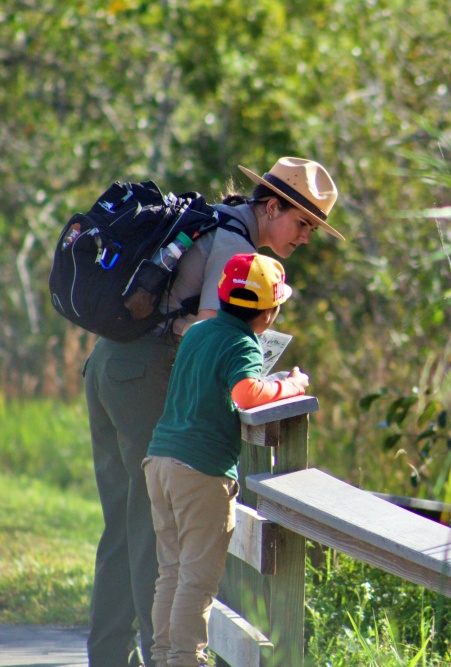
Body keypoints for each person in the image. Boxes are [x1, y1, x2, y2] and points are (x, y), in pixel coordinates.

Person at [83, 157, 341, 666]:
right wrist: (273, 382)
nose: (306, 237)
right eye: (303, 223)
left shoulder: (214, 223)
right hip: (143, 377)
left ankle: (111, 657)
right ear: (271, 206)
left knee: (123, 526)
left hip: (108, 367)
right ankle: (165, 659)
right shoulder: (234, 247)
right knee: (150, 537)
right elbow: (213, 337)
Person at [144, 253, 309, 667]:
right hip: (200, 471)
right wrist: (290, 385)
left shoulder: (199, 331)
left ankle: (163, 656)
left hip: (160, 459)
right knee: (197, 581)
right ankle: (185, 659)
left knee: (172, 571)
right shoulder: (242, 342)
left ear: (221, 293)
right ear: (269, 313)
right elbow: (247, 394)